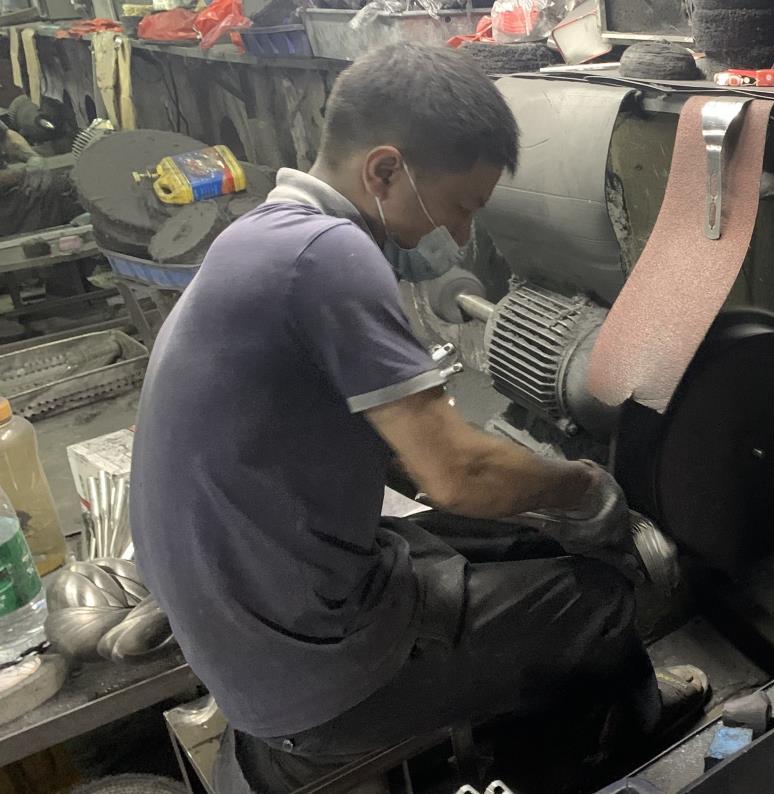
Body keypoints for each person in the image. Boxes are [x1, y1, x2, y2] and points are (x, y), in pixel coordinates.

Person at [130, 43, 707, 793]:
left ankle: (537, 719)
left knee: (517, 538)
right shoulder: (326, 253)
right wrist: (585, 488)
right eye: (461, 207)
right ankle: (598, 754)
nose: (461, 238)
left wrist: (523, 498)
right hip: (305, 676)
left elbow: (404, 457)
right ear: (384, 171)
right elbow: (455, 474)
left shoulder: (262, 234)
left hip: (257, 617)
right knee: (593, 603)